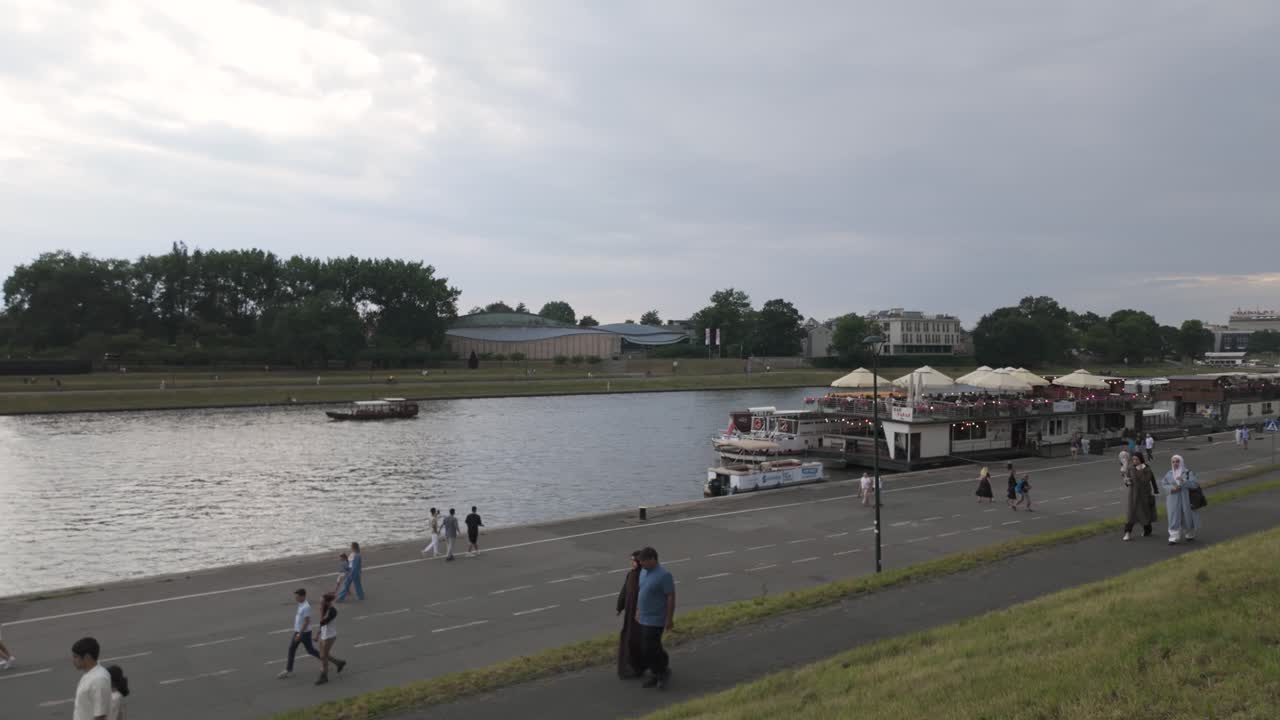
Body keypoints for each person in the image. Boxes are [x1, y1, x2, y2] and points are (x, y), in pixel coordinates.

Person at [635, 547, 675, 689]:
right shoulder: (643, 573)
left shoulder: (664, 575)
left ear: (652, 559)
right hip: (643, 617)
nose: (641, 564)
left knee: (650, 647)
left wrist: (669, 619)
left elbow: (670, 596)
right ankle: (657, 672)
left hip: (656, 618)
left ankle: (662, 671)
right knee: (649, 648)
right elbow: (642, 591)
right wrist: (638, 610)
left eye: (643, 561)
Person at [278, 588, 321, 678]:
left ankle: (325, 660)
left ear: (303, 596)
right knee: (295, 649)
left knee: (310, 650)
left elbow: (306, 621)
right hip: (299, 632)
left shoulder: (306, 607)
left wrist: (299, 634)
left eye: (297, 596)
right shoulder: (301, 604)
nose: (295, 598)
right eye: (296, 596)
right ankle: (288, 670)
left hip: (304, 633)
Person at [615, 550, 644, 678]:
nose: (631, 563)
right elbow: (624, 591)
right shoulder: (630, 574)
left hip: (639, 615)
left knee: (637, 640)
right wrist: (620, 606)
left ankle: (638, 667)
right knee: (628, 639)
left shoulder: (644, 575)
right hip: (630, 614)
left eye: (634, 561)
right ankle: (630, 667)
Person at [1161, 455, 1201, 546]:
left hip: (1185, 498)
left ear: (1181, 462)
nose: (1175, 463)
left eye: (1177, 461)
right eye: (1173, 462)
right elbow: (1164, 484)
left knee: (1187, 515)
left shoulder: (1187, 472)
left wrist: (1183, 481)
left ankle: (1189, 534)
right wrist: (1172, 488)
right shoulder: (1169, 473)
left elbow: (1195, 484)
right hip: (1173, 499)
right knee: (1173, 516)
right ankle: (1173, 537)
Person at [72, 636, 111, 720]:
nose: (73, 660)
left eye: (75, 657)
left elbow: (100, 715)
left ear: (87, 657)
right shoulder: (89, 675)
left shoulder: (99, 679)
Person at [1123, 451, 1159, 541]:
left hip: (1144, 495)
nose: (1134, 461)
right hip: (1133, 494)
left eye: (1136, 459)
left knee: (1144, 513)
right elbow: (1127, 479)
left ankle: (1147, 529)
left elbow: (1145, 480)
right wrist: (1127, 481)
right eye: (1133, 459)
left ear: (1141, 459)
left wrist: (1140, 471)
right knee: (1131, 514)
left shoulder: (1146, 469)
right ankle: (1127, 533)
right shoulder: (1130, 468)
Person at [314, 592, 348, 685]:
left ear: (327, 602)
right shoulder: (325, 608)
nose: (320, 603)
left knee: (324, 657)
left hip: (330, 636)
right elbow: (321, 625)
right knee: (323, 656)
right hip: (323, 635)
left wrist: (321, 611)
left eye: (321, 601)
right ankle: (339, 663)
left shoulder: (333, 611)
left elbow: (322, 622)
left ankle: (324, 676)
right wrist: (318, 634)